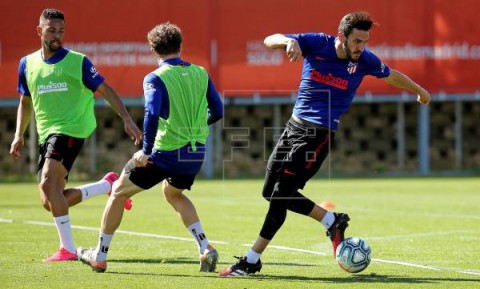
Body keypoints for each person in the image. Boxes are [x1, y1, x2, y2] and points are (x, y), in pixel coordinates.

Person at [220, 11, 431, 276]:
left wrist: (420, 91)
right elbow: (268, 40)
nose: (361, 47)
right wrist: (288, 42)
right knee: (269, 193)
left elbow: (391, 75)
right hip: (293, 127)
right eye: (356, 41)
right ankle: (332, 220)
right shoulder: (317, 43)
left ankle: (252, 259)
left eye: (364, 42)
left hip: (318, 134)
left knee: (281, 194)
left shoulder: (365, 61)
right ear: (341, 36)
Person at [77, 22, 224, 273]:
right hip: (195, 153)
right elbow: (218, 111)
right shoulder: (201, 72)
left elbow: (152, 113)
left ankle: (99, 256)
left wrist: (146, 149)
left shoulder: (155, 77)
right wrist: (196, 126)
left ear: (153, 50)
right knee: (173, 193)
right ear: (180, 46)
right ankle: (205, 247)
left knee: (118, 193)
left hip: (164, 152)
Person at [9, 8, 142, 262]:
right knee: (50, 201)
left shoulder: (78, 61)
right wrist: (19, 134)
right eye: (51, 30)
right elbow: (24, 102)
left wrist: (126, 118)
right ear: (40, 31)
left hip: (71, 129)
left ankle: (68, 249)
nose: (57, 36)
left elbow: (105, 88)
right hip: (46, 134)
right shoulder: (26, 64)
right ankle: (107, 185)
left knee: (49, 182)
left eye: (61, 31)